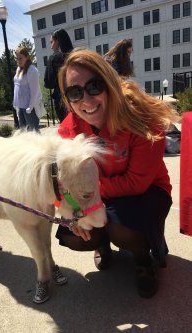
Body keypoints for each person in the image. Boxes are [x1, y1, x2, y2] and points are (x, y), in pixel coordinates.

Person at [55, 48, 179, 298]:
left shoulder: (142, 118)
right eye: (75, 92)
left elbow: (136, 183)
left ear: (110, 84)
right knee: (74, 236)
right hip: (97, 193)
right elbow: (61, 183)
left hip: (145, 191)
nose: (86, 101)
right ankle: (101, 242)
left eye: (94, 86)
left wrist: (86, 195)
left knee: (121, 228)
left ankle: (143, 262)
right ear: (68, 99)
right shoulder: (69, 126)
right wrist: (70, 207)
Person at [44, 28, 73, 123]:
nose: (51, 46)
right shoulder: (76, 54)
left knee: (67, 128)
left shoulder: (54, 58)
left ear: (58, 41)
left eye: (51, 42)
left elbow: (48, 83)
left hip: (61, 99)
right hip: (77, 95)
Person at [13, 47, 42, 131]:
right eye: (17, 58)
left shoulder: (32, 70)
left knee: (33, 131)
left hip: (29, 107)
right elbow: (17, 87)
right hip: (20, 106)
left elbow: (35, 91)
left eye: (21, 58)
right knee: (23, 131)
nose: (18, 60)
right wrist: (15, 103)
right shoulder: (18, 69)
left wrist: (30, 106)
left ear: (27, 57)